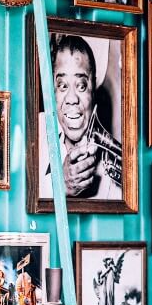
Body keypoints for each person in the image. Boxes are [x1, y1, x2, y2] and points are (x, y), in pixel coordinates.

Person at [45, 35, 123, 199]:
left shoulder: (112, 173)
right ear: (52, 90)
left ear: (93, 88)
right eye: (62, 85)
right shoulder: (34, 133)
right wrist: (59, 185)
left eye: (81, 86)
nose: (72, 99)